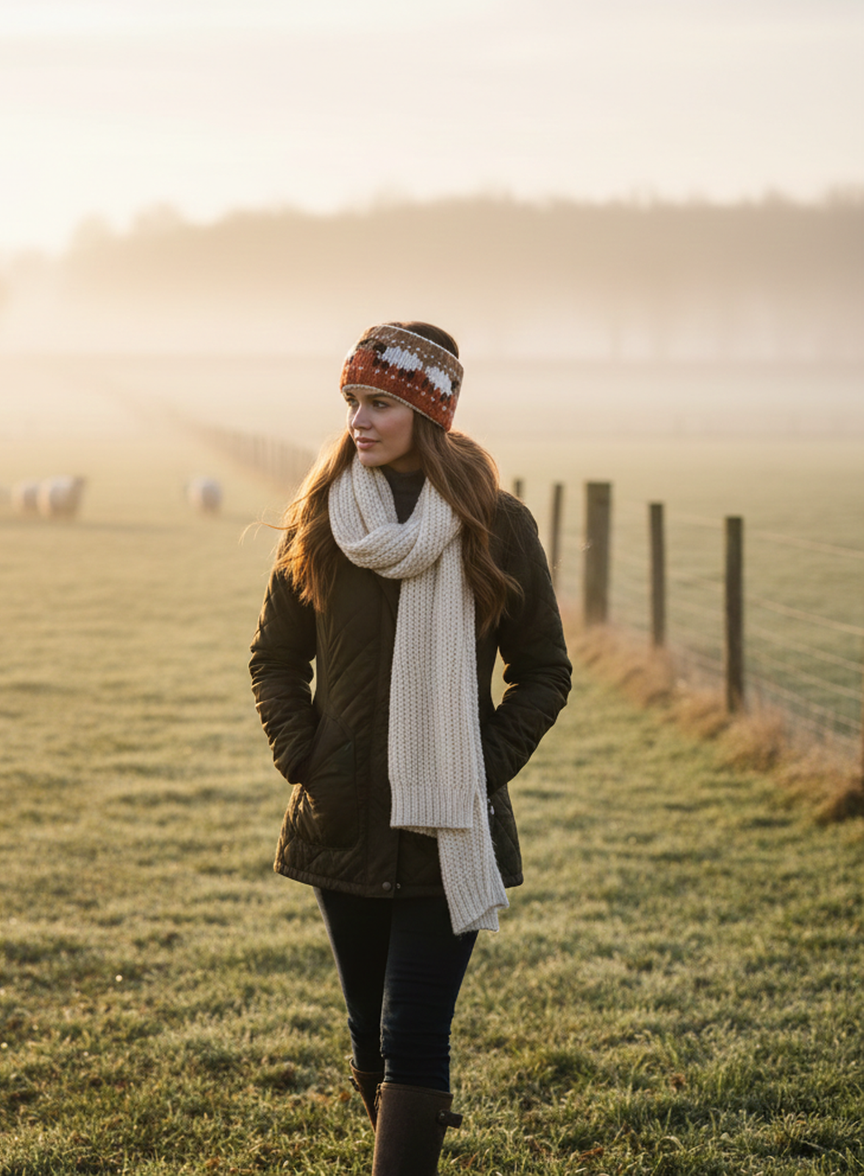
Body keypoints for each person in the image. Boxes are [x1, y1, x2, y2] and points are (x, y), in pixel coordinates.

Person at [248, 322, 571, 1175]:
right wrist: (304, 756)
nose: (360, 418)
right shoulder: (321, 517)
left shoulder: (495, 526)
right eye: (353, 400)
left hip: (448, 828)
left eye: (380, 402)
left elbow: (543, 672)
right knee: (369, 1036)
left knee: (414, 1033)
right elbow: (276, 659)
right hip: (341, 818)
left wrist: (477, 764)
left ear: (427, 412)